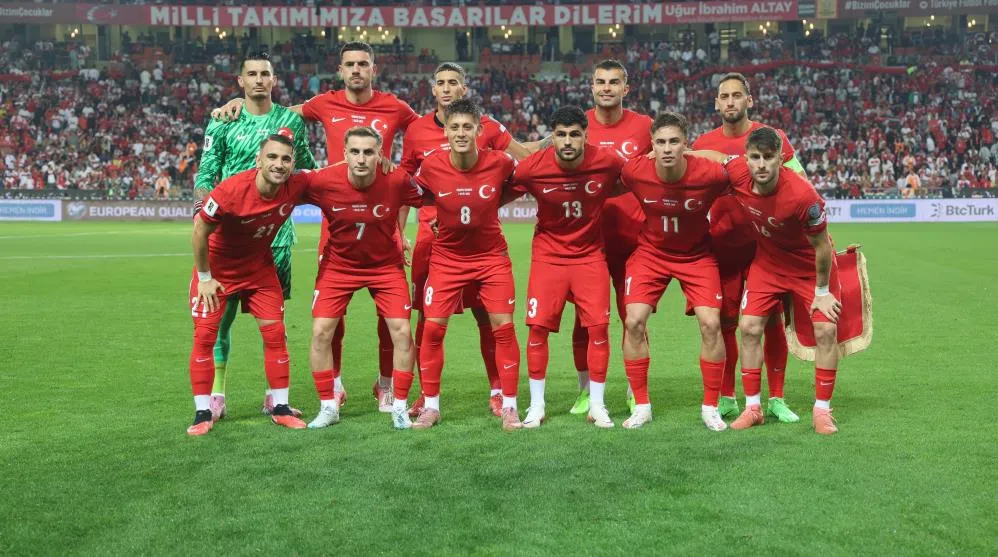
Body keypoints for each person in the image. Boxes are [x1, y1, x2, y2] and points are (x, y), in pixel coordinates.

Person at [214, 42, 420, 412]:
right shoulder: (324, 103)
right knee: (331, 317)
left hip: (381, 223)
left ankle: (386, 384)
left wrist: (399, 167)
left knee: (390, 318)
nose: (356, 70)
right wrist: (239, 104)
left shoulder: (397, 107)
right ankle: (335, 385)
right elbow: (277, 114)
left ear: (374, 69)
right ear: (340, 70)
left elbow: (427, 134)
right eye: (349, 64)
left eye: (363, 64)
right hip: (336, 221)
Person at [400, 62, 538, 417]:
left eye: (453, 82)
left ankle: (502, 396)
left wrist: (487, 203)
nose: (460, 132)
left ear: (479, 130)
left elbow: (526, 172)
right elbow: (404, 188)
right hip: (439, 248)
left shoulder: (496, 155)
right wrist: (400, 230)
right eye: (441, 82)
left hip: (487, 250)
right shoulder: (423, 148)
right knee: (429, 323)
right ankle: (428, 399)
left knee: (493, 322)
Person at [691, 127, 843, 435]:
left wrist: (823, 291)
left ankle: (822, 411)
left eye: (768, 157)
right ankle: (753, 408)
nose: (761, 165)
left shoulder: (803, 196)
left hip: (808, 267)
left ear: (781, 158)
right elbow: (717, 157)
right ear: (746, 158)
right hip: (769, 264)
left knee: (826, 330)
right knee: (748, 327)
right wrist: (683, 152)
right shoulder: (739, 172)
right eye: (755, 157)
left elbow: (822, 246)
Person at [194, 52, 316, 423]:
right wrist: (205, 212)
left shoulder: (291, 121)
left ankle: (273, 398)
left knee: (274, 323)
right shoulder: (223, 120)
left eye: (265, 73)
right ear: (241, 81)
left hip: (275, 238)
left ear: (274, 79)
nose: (259, 79)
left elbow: (308, 168)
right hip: (229, 237)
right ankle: (217, 395)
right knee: (220, 320)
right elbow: (205, 175)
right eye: (252, 74)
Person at [690, 72, 803, 423]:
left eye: (737, 95)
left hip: (765, 250)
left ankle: (777, 398)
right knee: (724, 324)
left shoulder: (772, 138)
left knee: (770, 323)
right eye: (724, 96)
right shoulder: (704, 142)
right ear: (716, 103)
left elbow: (799, 182)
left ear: (749, 100)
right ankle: (727, 397)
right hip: (721, 249)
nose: (730, 101)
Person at [186, 129, 310, 436]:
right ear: (258, 160)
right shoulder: (230, 191)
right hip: (218, 273)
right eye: (272, 157)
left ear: (292, 164)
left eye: (285, 159)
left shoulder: (296, 185)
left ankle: (280, 408)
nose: (279, 164)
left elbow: (335, 174)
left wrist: (380, 161)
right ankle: (202, 413)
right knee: (205, 337)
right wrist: (205, 278)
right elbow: (200, 230)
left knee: (275, 334)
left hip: (259, 270)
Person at [510, 106, 625, 428]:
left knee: (598, 328)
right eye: (561, 134)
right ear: (552, 137)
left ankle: (597, 405)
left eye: (575, 134)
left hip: (590, 256)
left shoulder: (607, 161)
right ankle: (536, 406)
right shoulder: (532, 168)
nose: (568, 141)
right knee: (537, 329)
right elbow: (499, 188)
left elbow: (638, 178)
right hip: (549, 257)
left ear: (585, 136)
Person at [301, 127, 423, 430]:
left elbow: (435, 195)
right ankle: (328, 405)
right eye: (354, 151)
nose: (361, 158)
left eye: (368, 152)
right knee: (320, 332)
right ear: (344, 154)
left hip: (385, 266)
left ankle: (399, 407)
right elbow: (282, 189)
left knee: (402, 332)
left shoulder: (396, 180)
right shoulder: (323, 180)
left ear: (380, 154)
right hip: (339, 266)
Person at [618, 112, 729, 431]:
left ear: (686, 145)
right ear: (651, 146)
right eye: (661, 142)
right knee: (633, 321)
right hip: (651, 253)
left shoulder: (710, 174)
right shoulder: (635, 171)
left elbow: (743, 177)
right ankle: (642, 406)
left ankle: (710, 407)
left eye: (674, 142)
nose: (667, 148)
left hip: (696, 256)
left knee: (711, 324)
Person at [572, 59, 653, 415]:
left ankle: (636, 391)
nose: (606, 87)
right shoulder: (578, 125)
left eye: (613, 82)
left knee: (633, 318)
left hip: (633, 240)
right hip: (586, 240)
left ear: (626, 88)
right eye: (600, 81)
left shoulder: (645, 126)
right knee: (584, 321)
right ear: (592, 86)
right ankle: (585, 391)